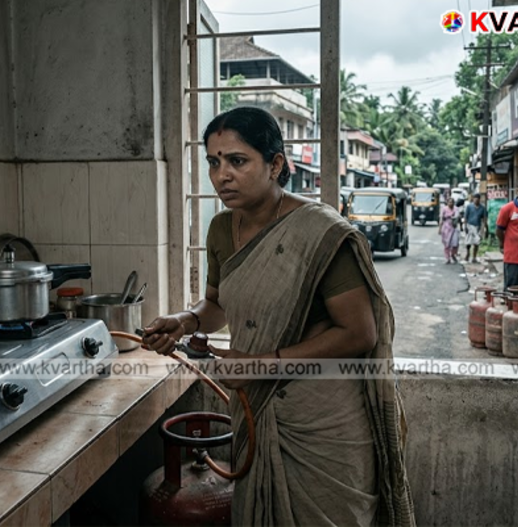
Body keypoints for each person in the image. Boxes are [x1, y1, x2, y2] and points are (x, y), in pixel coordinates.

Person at [141, 107, 414, 527]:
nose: (221, 176)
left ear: (276, 165)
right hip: (256, 409)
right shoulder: (220, 230)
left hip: (323, 422)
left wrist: (261, 364)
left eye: (237, 160)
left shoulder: (321, 233)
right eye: (213, 162)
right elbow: (215, 306)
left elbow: (359, 332)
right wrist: (185, 320)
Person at [463, 193, 487, 263]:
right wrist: (465, 226)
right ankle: (468, 253)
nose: (476, 200)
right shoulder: (469, 207)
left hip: (478, 226)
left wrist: (485, 228)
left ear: (479, 199)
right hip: (470, 225)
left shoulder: (482, 208)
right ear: (473, 199)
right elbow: (465, 217)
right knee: (468, 242)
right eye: (475, 198)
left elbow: (484, 218)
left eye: (478, 198)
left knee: (476, 242)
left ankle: (474, 257)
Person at [439, 198, 460, 264]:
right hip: (446, 228)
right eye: (449, 202)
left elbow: (457, 216)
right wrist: (439, 228)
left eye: (452, 202)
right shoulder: (444, 209)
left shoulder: (456, 209)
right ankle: (447, 258)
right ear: (447, 203)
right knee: (447, 244)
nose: (451, 204)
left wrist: (453, 217)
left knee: (455, 243)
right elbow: (441, 218)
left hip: (454, 227)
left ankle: (453, 254)